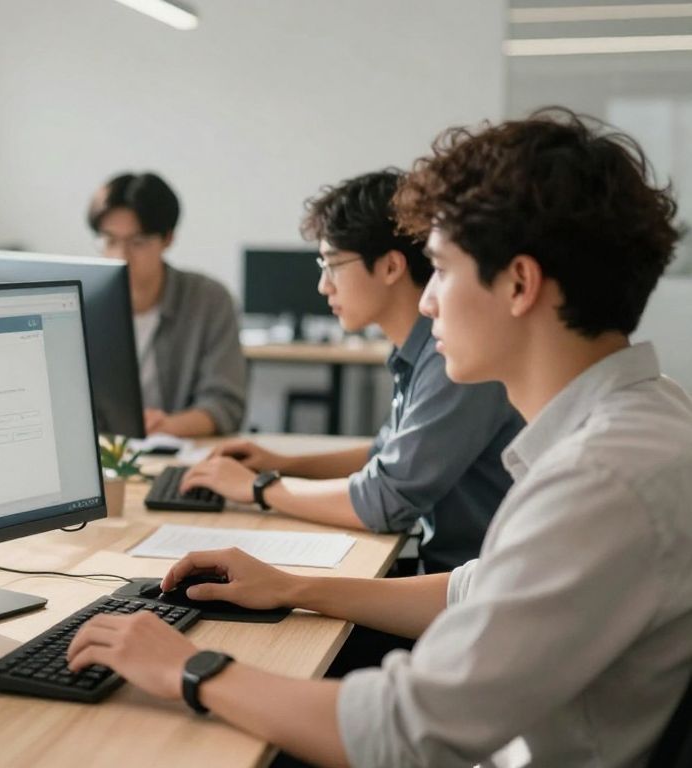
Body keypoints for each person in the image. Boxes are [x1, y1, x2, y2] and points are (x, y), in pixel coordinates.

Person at [66, 108, 692, 767]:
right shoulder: (645, 417)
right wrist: (292, 586)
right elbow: (472, 589)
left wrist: (192, 670)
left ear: (519, 283)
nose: (427, 302)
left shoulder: (599, 481)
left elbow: (403, 734)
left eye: (443, 270)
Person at [181, 170, 522, 574]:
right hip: (442, 574)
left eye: (333, 265)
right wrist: (279, 463)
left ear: (392, 267)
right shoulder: (416, 351)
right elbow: (384, 457)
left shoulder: (451, 362)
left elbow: (384, 500)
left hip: (459, 588)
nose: (324, 286)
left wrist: (260, 489)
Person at [88, 171, 246, 437]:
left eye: (137, 242)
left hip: (178, 450)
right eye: (110, 241)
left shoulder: (209, 301)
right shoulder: (83, 304)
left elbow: (225, 404)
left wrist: (165, 426)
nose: (120, 256)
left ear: (168, 239)